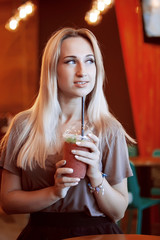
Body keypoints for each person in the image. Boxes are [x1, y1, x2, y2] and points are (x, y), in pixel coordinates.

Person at [0, 27, 134, 240]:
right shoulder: (23, 125)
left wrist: (95, 176)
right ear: (52, 68)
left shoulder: (109, 129)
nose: (83, 71)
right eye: (71, 61)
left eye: (90, 60)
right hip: (41, 233)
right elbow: (7, 202)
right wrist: (54, 192)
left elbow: (118, 211)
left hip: (98, 235)